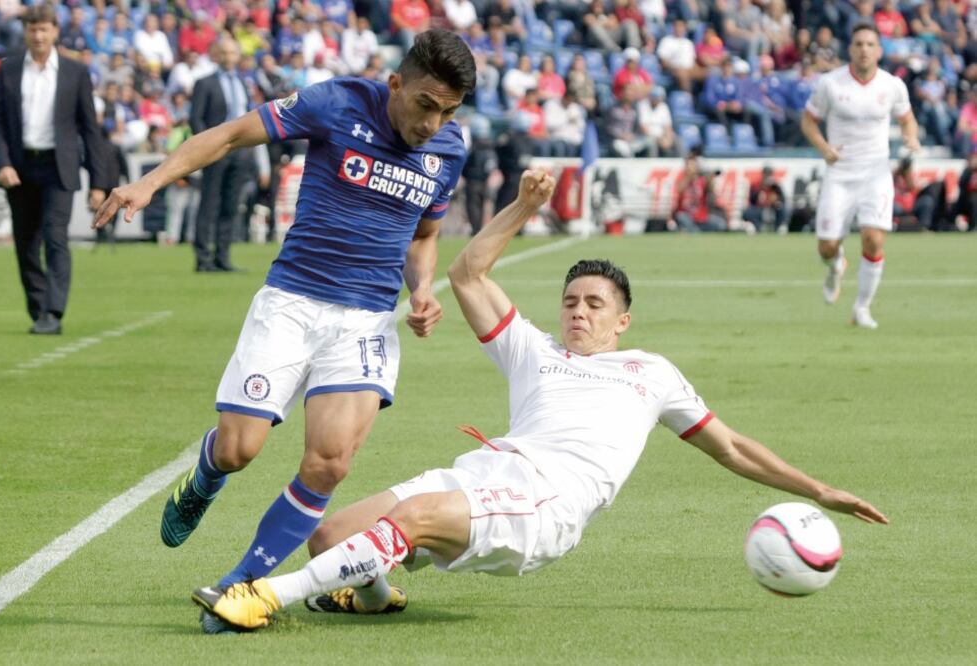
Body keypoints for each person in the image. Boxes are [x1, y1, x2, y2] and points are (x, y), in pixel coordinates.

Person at [190, 169, 889, 629]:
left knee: (414, 519)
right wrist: (525, 207)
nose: (578, 312)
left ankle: (264, 596)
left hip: (547, 503)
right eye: (571, 301)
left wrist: (819, 489)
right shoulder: (535, 350)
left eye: (595, 304)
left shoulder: (651, 373)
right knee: (331, 535)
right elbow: (469, 273)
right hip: (485, 472)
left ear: (622, 321)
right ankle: (372, 595)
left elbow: (731, 447)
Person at [91, 28, 475, 633]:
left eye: (447, 112)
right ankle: (207, 473)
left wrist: (422, 288)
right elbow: (228, 135)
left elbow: (424, 236)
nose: (433, 123)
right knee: (239, 449)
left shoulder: (449, 149)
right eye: (425, 105)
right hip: (293, 301)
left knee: (330, 462)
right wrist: (149, 182)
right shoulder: (336, 102)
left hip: (366, 320)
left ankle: (242, 584)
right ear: (396, 84)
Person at [0, 4, 107, 335]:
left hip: (59, 167)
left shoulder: (75, 72)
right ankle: (39, 308)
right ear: (25, 32)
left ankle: (53, 312)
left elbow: (90, 129)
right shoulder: (9, 69)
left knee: (55, 237)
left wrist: (99, 183)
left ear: (55, 31)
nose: (38, 36)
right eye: (33, 29)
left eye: (44, 29)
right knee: (26, 244)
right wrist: (3, 163)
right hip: (20, 168)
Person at [800, 23, 920, 329]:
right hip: (840, 174)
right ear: (850, 49)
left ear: (879, 50)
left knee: (873, 239)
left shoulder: (892, 85)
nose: (864, 49)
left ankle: (862, 309)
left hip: (876, 174)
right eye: (858, 44)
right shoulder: (830, 83)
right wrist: (825, 149)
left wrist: (911, 137)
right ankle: (836, 263)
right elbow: (809, 121)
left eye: (870, 44)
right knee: (826, 246)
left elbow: (907, 119)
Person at [189, 37, 253, 272]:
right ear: (216, 55)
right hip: (215, 151)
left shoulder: (243, 83)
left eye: (232, 53)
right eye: (224, 52)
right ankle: (203, 257)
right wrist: (207, 147)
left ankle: (223, 257)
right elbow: (196, 118)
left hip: (240, 151)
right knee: (209, 203)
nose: (228, 57)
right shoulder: (205, 83)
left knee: (231, 205)